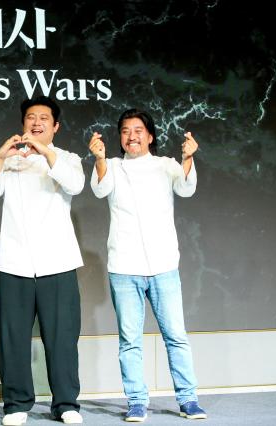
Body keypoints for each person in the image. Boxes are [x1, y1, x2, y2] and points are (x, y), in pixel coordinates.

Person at [88, 108, 207, 422]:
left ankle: (188, 399)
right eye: (125, 131)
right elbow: (99, 189)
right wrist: (99, 158)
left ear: (150, 135)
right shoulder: (112, 166)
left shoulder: (166, 166)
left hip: (163, 264)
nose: (131, 136)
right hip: (124, 266)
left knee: (176, 335)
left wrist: (189, 158)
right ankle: (137, 401)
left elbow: (186, 188)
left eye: (138, 130)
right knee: (130, 340)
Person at [0, 96, 85, 425]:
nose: (36, 122)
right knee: (12, 338)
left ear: (55, 126)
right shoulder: (10, 160)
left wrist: (45, 152)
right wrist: (0, 157)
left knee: (62, 338)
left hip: (57, 262)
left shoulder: (66, 158)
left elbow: (76, 184)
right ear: (22, 123)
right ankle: (16, 404)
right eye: (30, 117)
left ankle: (66, 403)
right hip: (14, 262)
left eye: (43, 118)